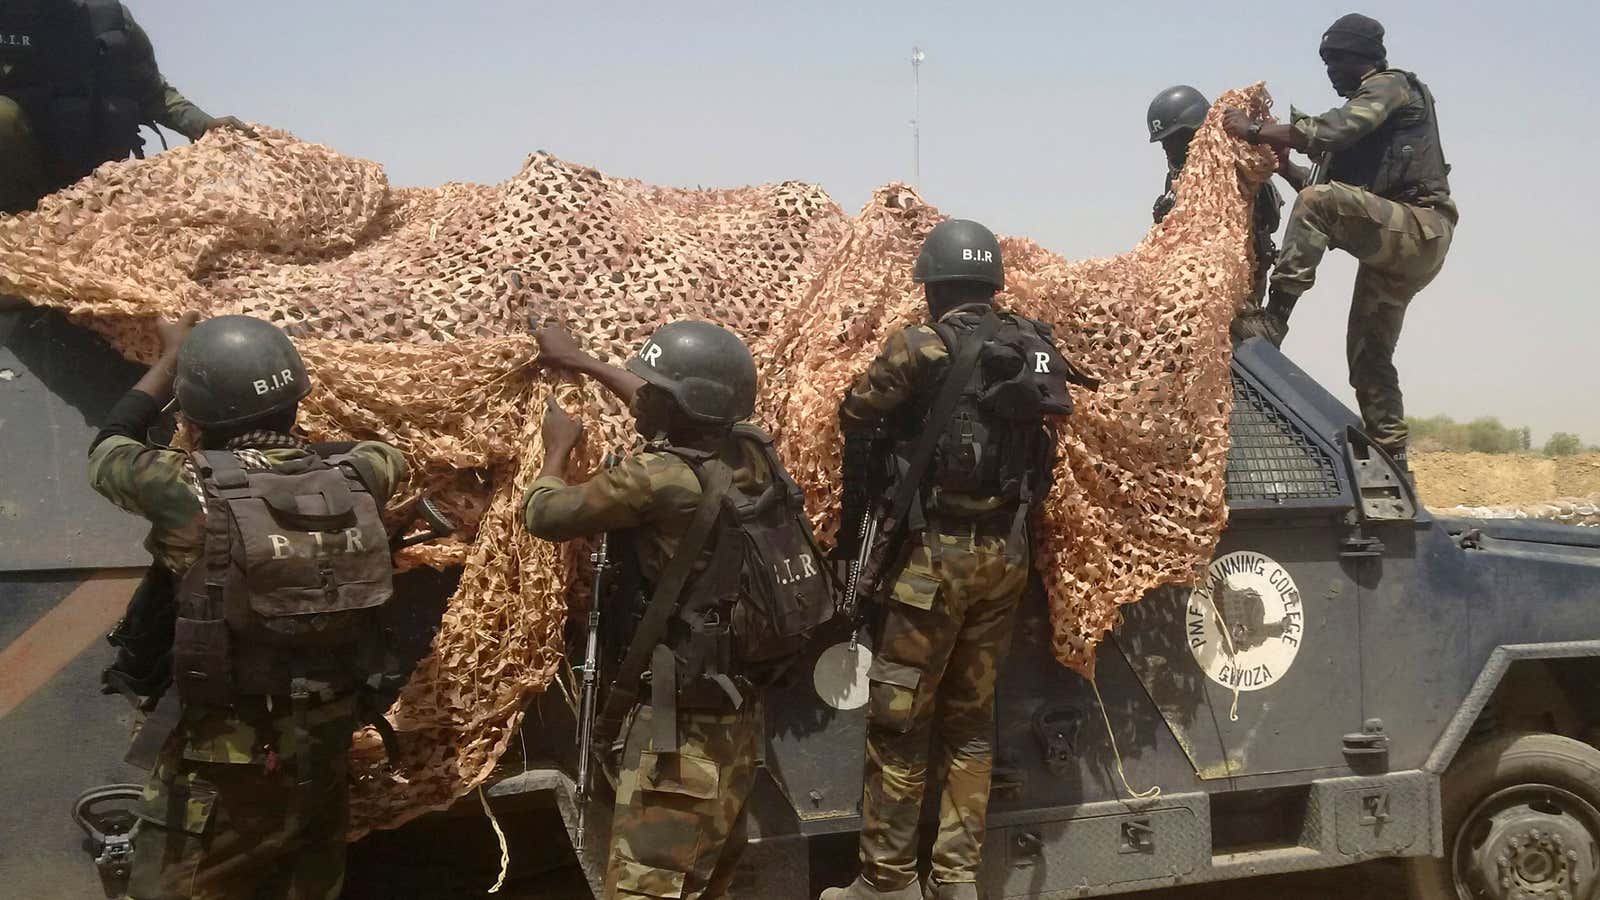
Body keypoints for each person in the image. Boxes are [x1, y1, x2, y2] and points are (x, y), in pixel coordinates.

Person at [88, 313, 406, 900]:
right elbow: (381, 452)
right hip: (324, 745)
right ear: (295, 402)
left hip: (224, 761)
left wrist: (167, 358)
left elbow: (109, 447)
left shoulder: (186, 488)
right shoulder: (364, 475)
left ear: (194, 413)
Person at [823, 220, 1088, 900]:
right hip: (1007, 556)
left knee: (900, 720)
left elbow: (854, 412)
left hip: (932, 565)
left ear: (934, 286)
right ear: (993, 285)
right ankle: (957, 879)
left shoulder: (921, 346)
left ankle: (885, 882)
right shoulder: (1027, 344)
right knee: (971, 723)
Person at [526, 321, 829, 900]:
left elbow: (545, 514)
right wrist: (584, 362)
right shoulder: (752, 451)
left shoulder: (659, 478)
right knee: (706, 879)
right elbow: (670, 403)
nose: (643, 396)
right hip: (738, 719)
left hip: (680, 727)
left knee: (647, 887)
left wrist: (556, 449)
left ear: (682, 406)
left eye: (657, 391)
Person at [1225, 12, 1457, 463]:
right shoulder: (1363, 123)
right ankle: (1394, 462)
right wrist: (1281, 163)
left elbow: (1332, 138)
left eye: (1336, 62)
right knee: (1368, 358)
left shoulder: (1391, 87)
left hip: (1420, 228)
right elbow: (1317, 193)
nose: (1330, 72)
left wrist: (1254, 130)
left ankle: (1275, 320)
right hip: (1394, 244)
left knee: (1317, 201)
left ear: (1361, 59)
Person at [1, 0, 253, 214]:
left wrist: (204, 125)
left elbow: (152, 91)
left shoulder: (108, 20)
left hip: (94, 193)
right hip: (17, 192)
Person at [1146, 84, 1285, 319]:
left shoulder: (1237, 165)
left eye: (1175, 139)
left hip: (1234, 284)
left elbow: (1267, 219)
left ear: (1196, 130)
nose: (1168, 149)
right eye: (1164, 142)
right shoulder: (1178, 176)